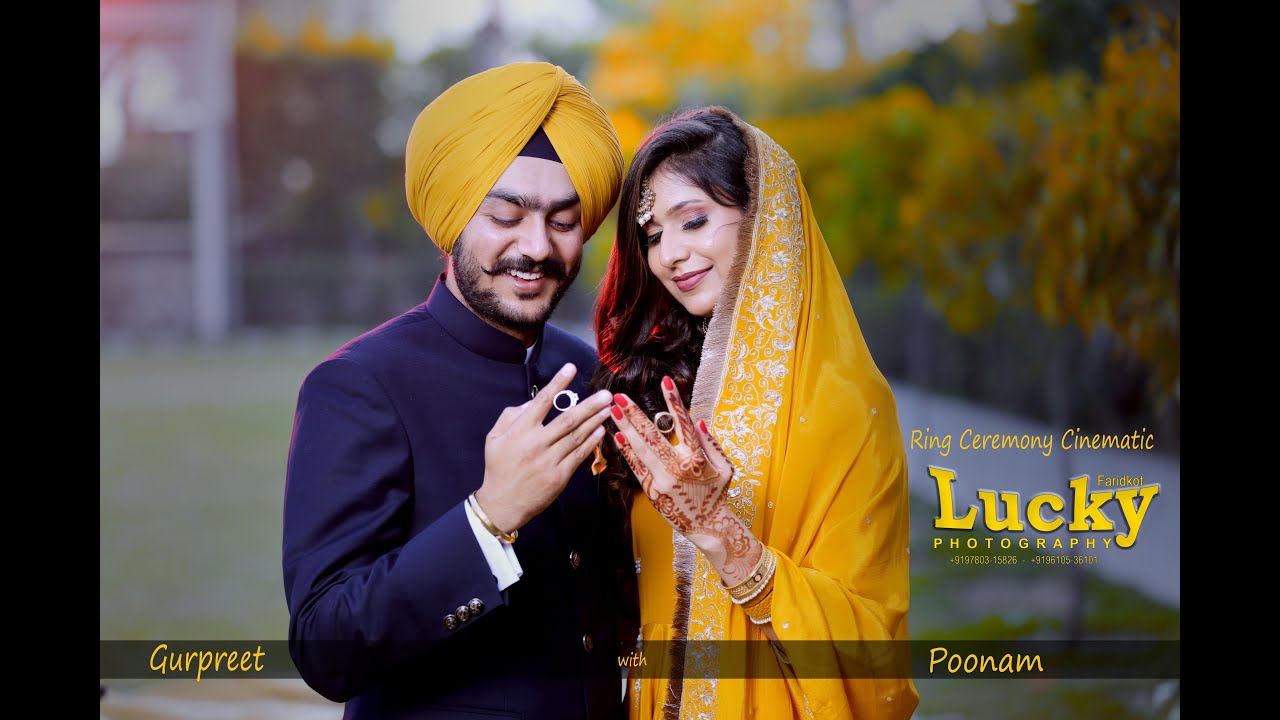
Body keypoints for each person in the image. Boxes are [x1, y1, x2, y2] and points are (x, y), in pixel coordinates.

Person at [283, 62, 636, 720]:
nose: (536, 247)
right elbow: (325, 648)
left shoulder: (593, 376)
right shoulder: (361, 385)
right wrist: (487, 519)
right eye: (506, 215)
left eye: (564, 221)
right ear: (453, 218)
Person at [591, 107, 919, 719]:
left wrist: (720, 532)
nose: (671, 255)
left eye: (693, 221)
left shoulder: (849, 404)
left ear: (768, 219)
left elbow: (872, 653)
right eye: (653, 237)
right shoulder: (657, 389)